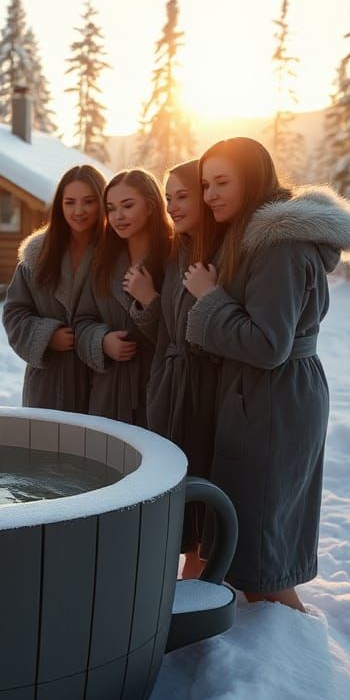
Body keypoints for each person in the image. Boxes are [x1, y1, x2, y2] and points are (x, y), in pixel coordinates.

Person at [182, 137, 350, 610]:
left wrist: (209, 299)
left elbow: (269, 345)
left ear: (254, 179)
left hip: (274, 398)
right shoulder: (256, 237)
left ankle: (295, 657)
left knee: (262, 558)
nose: (209, 195)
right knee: (247, 537)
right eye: (205, 184)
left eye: (222, 182)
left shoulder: (278, 246)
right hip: (268, 396)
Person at [124, 159, 223, 578]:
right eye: (168, 198)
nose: (174, 206)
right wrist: (148, 300)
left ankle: (196, 579)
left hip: (204, 390)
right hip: (169, 385)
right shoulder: (178, 251)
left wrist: (211, 297)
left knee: (199, 491)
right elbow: (167, 331)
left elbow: (221, 331)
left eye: (183, 196)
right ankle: (182, 575)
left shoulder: (222, 253)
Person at [2, 164, 107, 412]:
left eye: (88, 201)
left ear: (102, 202)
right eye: (70, 202)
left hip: (100, 380)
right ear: (60, 205)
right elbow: (14, 314)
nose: (78, 211)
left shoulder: (115, 254)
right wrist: (47, 336)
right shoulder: (36, 257)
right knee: (45, 446)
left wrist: (95, 339)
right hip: (48, 383)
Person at [74, 168, 174, 425]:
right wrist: (102, 341)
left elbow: (181, 337)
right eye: (111, 208)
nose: (118, 216)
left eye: (127, 205)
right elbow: (82, 321)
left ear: (151, 206)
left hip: (158, 389)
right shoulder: (102, 262)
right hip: (108, 394)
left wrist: (150, 301)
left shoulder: (174, 257)